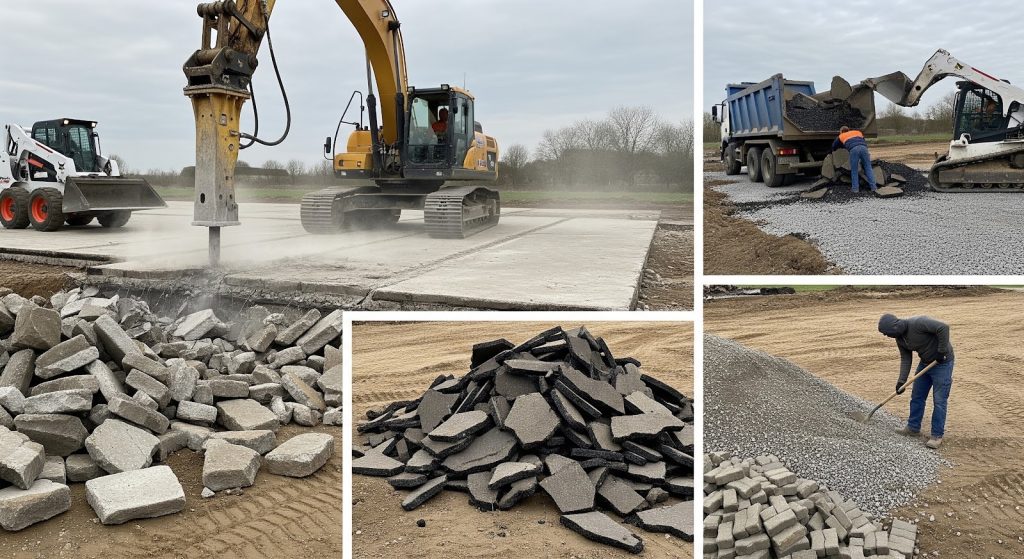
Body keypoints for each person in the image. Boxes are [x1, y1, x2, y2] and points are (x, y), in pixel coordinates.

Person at [877, 313, 954, 449]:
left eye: (888, 333)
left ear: (895, 326)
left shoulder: (918, 323)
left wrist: (941, 351)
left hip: (942, 363)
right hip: (925, 363)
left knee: (939, 400)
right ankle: (913, 427)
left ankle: (936, 435)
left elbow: (943, 328)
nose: (888, 336)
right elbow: (906, 359)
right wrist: (901, 381)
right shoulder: (900, 339)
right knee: (917, 396)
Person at [832, 126, 877, 193]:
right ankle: (873, 187)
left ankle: (855, 189)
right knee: (868, 167)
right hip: (864, 148)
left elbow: (834, 146)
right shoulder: (857, 132)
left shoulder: (841, 136)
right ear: (849, 130)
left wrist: (833, 151)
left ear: (841, 131)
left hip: (854, 149)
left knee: (854, 169)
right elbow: (862, 141)